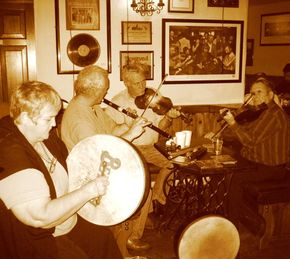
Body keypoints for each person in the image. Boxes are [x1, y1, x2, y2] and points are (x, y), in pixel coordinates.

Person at [0, 81, 123, 259]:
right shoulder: (8, 151)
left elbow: (70, 170)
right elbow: (40, 217)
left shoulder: (45, 138)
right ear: (26, 118)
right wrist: (89, 190)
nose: (54, 124)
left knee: (103, 239)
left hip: (68, 222)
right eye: (48, 119)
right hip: (40, 240)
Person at [60, 65, 150, 257]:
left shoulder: (93, 108)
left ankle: (124, 243)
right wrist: (131, 135)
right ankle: (120, 249)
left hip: (104, 171)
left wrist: (128, 125)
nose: (107, 92)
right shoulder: (79, 119)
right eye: (105, 89)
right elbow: (101, 153)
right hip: (91, 181)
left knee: (144, 189)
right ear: (95, 90)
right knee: (135, 193)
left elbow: (112, 130)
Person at [105, 64, 181, 217]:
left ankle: (157, 199)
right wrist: (128, 124)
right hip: (131, 148)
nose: (143, 86)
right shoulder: (117, 101)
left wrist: (168, 117)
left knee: (175, 163)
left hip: (152, 147)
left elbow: (161, 126)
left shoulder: (153, 95)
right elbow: (110, 133)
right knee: (138, 176)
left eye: (144, 81)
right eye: (137, 83)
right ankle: (146, 212)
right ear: (126, 82)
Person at [220, 77, 290, 226]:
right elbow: (242, 132)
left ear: (270, 95)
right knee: (223, 168)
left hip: (272, 168)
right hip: (255, 161)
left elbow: (250, 140)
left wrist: (232, 123)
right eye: (252, 93)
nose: (255, 96)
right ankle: (235, 214)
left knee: (236, 180)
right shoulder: (260, 113)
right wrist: (221, 133)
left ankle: (233, 225)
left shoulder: (273, 114)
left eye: (260, 92)